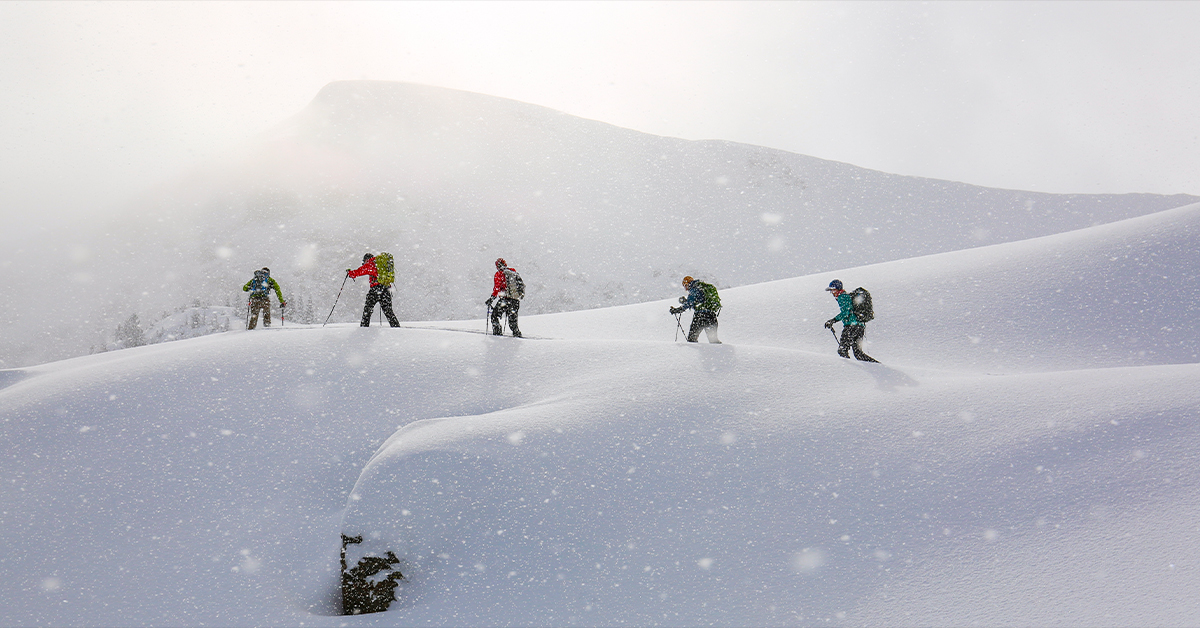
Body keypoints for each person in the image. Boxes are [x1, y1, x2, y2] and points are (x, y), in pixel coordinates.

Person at [824, 279, 878, 362]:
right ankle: (877, 366)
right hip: (859, 326)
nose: (832, 292)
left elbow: (846, 312)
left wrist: (832, 320)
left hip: (851, 327)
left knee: (842, 350)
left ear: (838, 289)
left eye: (833, 290)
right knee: (858, 354)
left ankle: (847, 368)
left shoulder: (842, 297)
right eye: (831, 291)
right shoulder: (846, 296)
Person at [347, 253, 400, 327]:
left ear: (366, 259)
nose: (363, 263)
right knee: (388, 311)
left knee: (367, 310)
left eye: (364, 261)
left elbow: (359, 271)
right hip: (386, 288)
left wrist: (350, 273)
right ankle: (396, 327)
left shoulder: (370, 264)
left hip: (376, 289)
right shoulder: (380, 264)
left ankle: (364, 328)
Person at [670, 276, 721, 343]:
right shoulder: (703, 288)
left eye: (685, 285)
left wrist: (677, 310)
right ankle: (720, 349)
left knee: (692, 339)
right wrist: (687, 301)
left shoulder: (694, 289)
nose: (685, 289)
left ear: (688, 284)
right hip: (711, 316)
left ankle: (692, 351)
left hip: (700, 317)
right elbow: (698, 301)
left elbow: (689, 303)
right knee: (713, 340)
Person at [486, 258, 522, 337]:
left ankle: (497, 333)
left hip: (505, 300)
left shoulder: (499, 274)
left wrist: (491, 299)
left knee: (494, 316)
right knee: (513, 320)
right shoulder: (513, 271)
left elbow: (497, 288)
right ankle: (517, 334)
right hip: (515, 299)